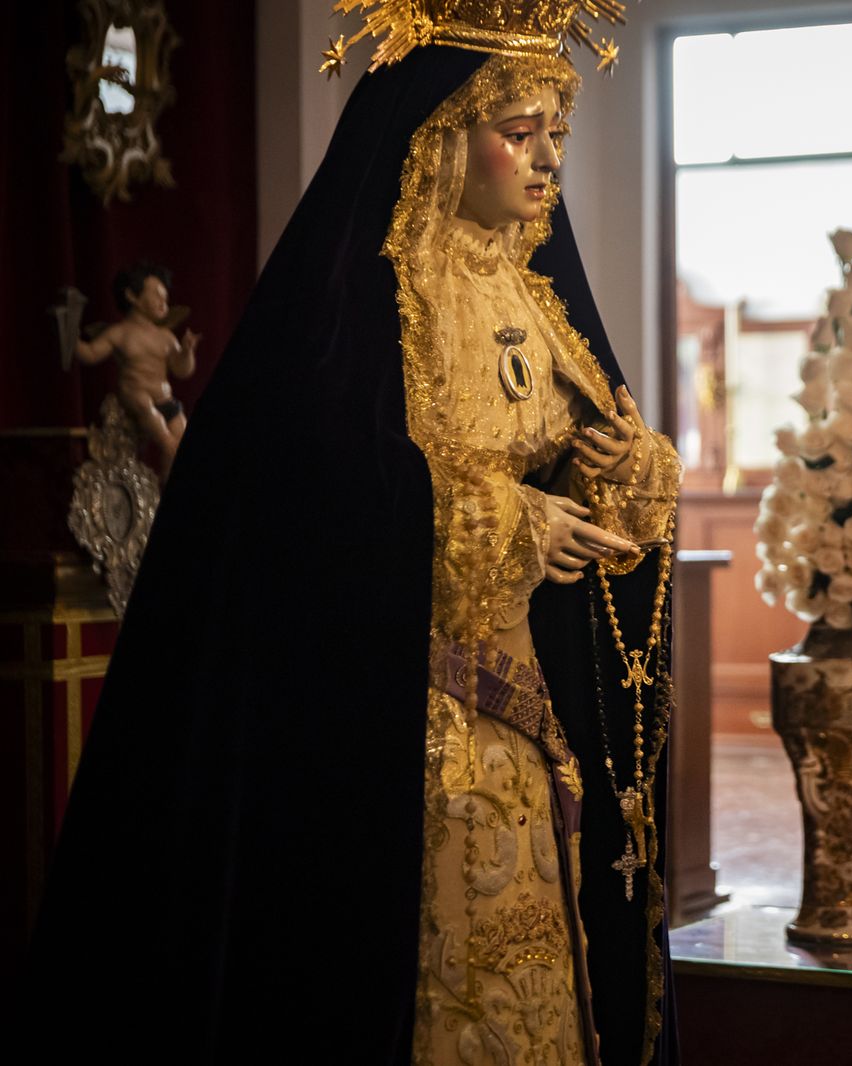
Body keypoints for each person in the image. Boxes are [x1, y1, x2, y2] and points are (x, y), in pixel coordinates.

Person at [25, 4, 680, 1063]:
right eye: (518, 130)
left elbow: (599, 457)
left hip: (528, 731)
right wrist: (507, 518)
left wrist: (626, 473)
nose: (546, 158)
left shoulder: (537, 296)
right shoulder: (362, 303)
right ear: (438, 134)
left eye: (555, 131)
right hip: (395, 725)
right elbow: (315, 492)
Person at [70, 260, 199, 480]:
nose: (163, 302)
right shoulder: (121, 333)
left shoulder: (166, 337)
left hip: (165, 399)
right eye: (157, 295)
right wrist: (70, 334)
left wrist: (186, 352)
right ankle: (166, 440)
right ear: (132, 296)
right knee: (146, 406)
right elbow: (91, 353)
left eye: (165, 297)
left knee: (182, 435)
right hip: (136, 394)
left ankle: (169, 484)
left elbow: (182, 370)